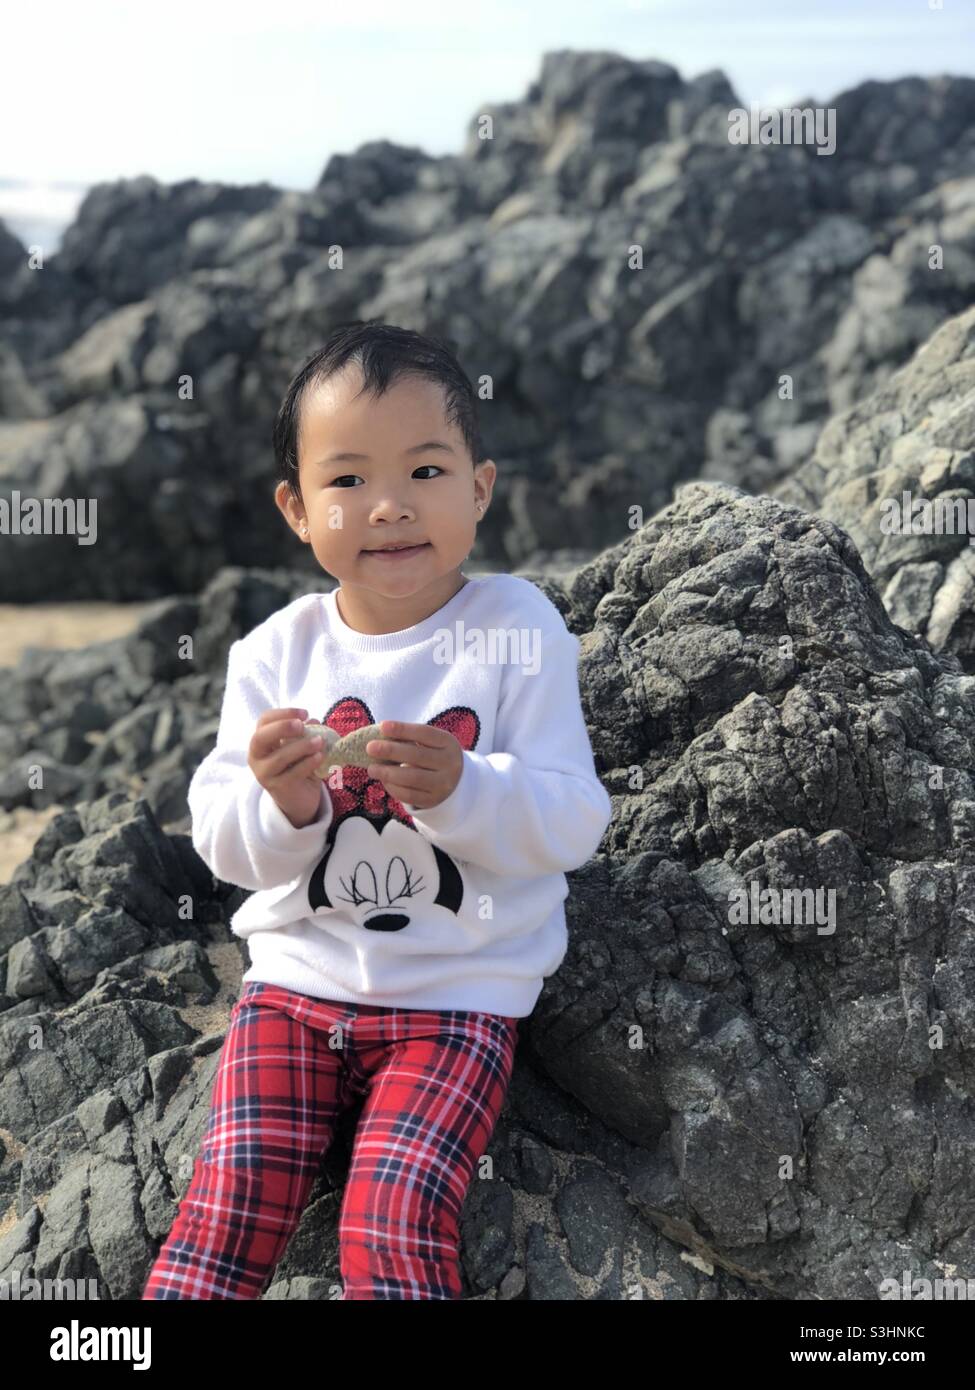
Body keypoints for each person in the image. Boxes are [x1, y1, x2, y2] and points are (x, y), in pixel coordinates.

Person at [141, 320, 613, 1300]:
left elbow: (573, 818)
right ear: (298, 510)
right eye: (348, 480)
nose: (391, 505)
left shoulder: (517, 627)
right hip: (294, 991)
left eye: (428, 471)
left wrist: (465, 788)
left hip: (456, 998)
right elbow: (224, 842)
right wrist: (288, 800)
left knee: (391, 1222)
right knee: (223, 1210)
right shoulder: (276, 653)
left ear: (481, 488)